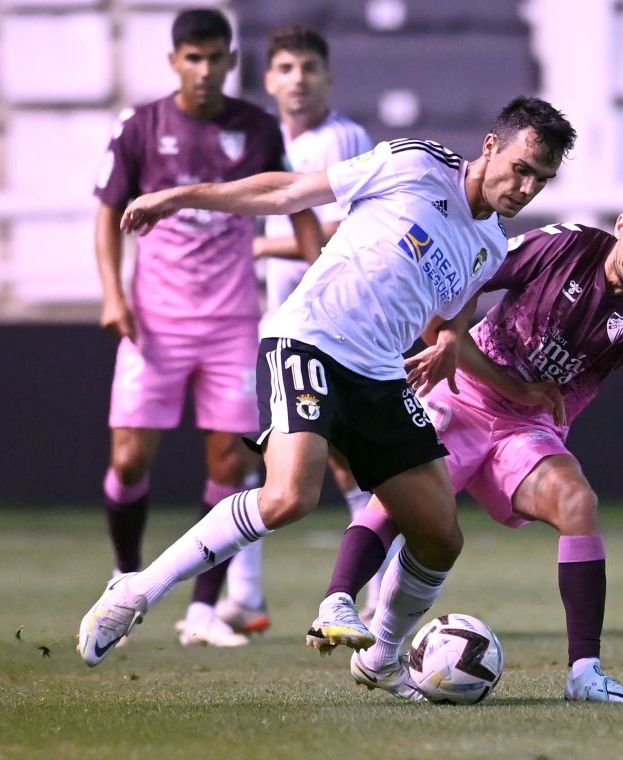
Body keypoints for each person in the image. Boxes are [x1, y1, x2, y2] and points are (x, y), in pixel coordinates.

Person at [78, 96, 577, 704]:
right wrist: (179, 196)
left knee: (441, 536)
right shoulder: (415, 165)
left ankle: (382, 661)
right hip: (309, 339)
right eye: (521, 168)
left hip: (380, 374)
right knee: (289, 497)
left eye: (541, 180)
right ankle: (137, 591)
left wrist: (457, 346)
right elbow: (288, 192)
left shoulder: (491, 246)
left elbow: (446, 320)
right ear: (492, 146)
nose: (525, 187)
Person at [311, 178, 623, 702]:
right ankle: (338, 602)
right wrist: (453, 338)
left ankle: (584, 674)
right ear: (620, 225)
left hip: (525, 429)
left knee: (578, 502)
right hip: (460, 393)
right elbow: (474, 273)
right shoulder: (563, 244)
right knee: (396, 504)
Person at [93, 9, 321, 648]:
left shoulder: (256, 129)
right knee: (129, 458)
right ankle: (123, 576)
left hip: (231, 325)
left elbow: (292, 202)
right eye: (191, 58)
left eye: (213, 58)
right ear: (174, 62)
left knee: (228, 459)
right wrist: (113, 294)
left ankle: (202, 606)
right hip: (155, 324)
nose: (202, 69)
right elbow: (106, 214)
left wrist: (326, 274)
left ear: (229, 61)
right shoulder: (142, 127)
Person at [222, 26, 385, 631]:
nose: (297, 78)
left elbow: (348, 232)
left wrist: (260, 245)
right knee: (254, 451)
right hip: (276, 319)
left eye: (309, 67)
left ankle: (378, 586)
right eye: (285, 67)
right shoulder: (263, 139)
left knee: (345, 459)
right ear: (268, 79)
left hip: (333, 319)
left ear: (328, 77)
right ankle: (247, 597)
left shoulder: (342, 138)